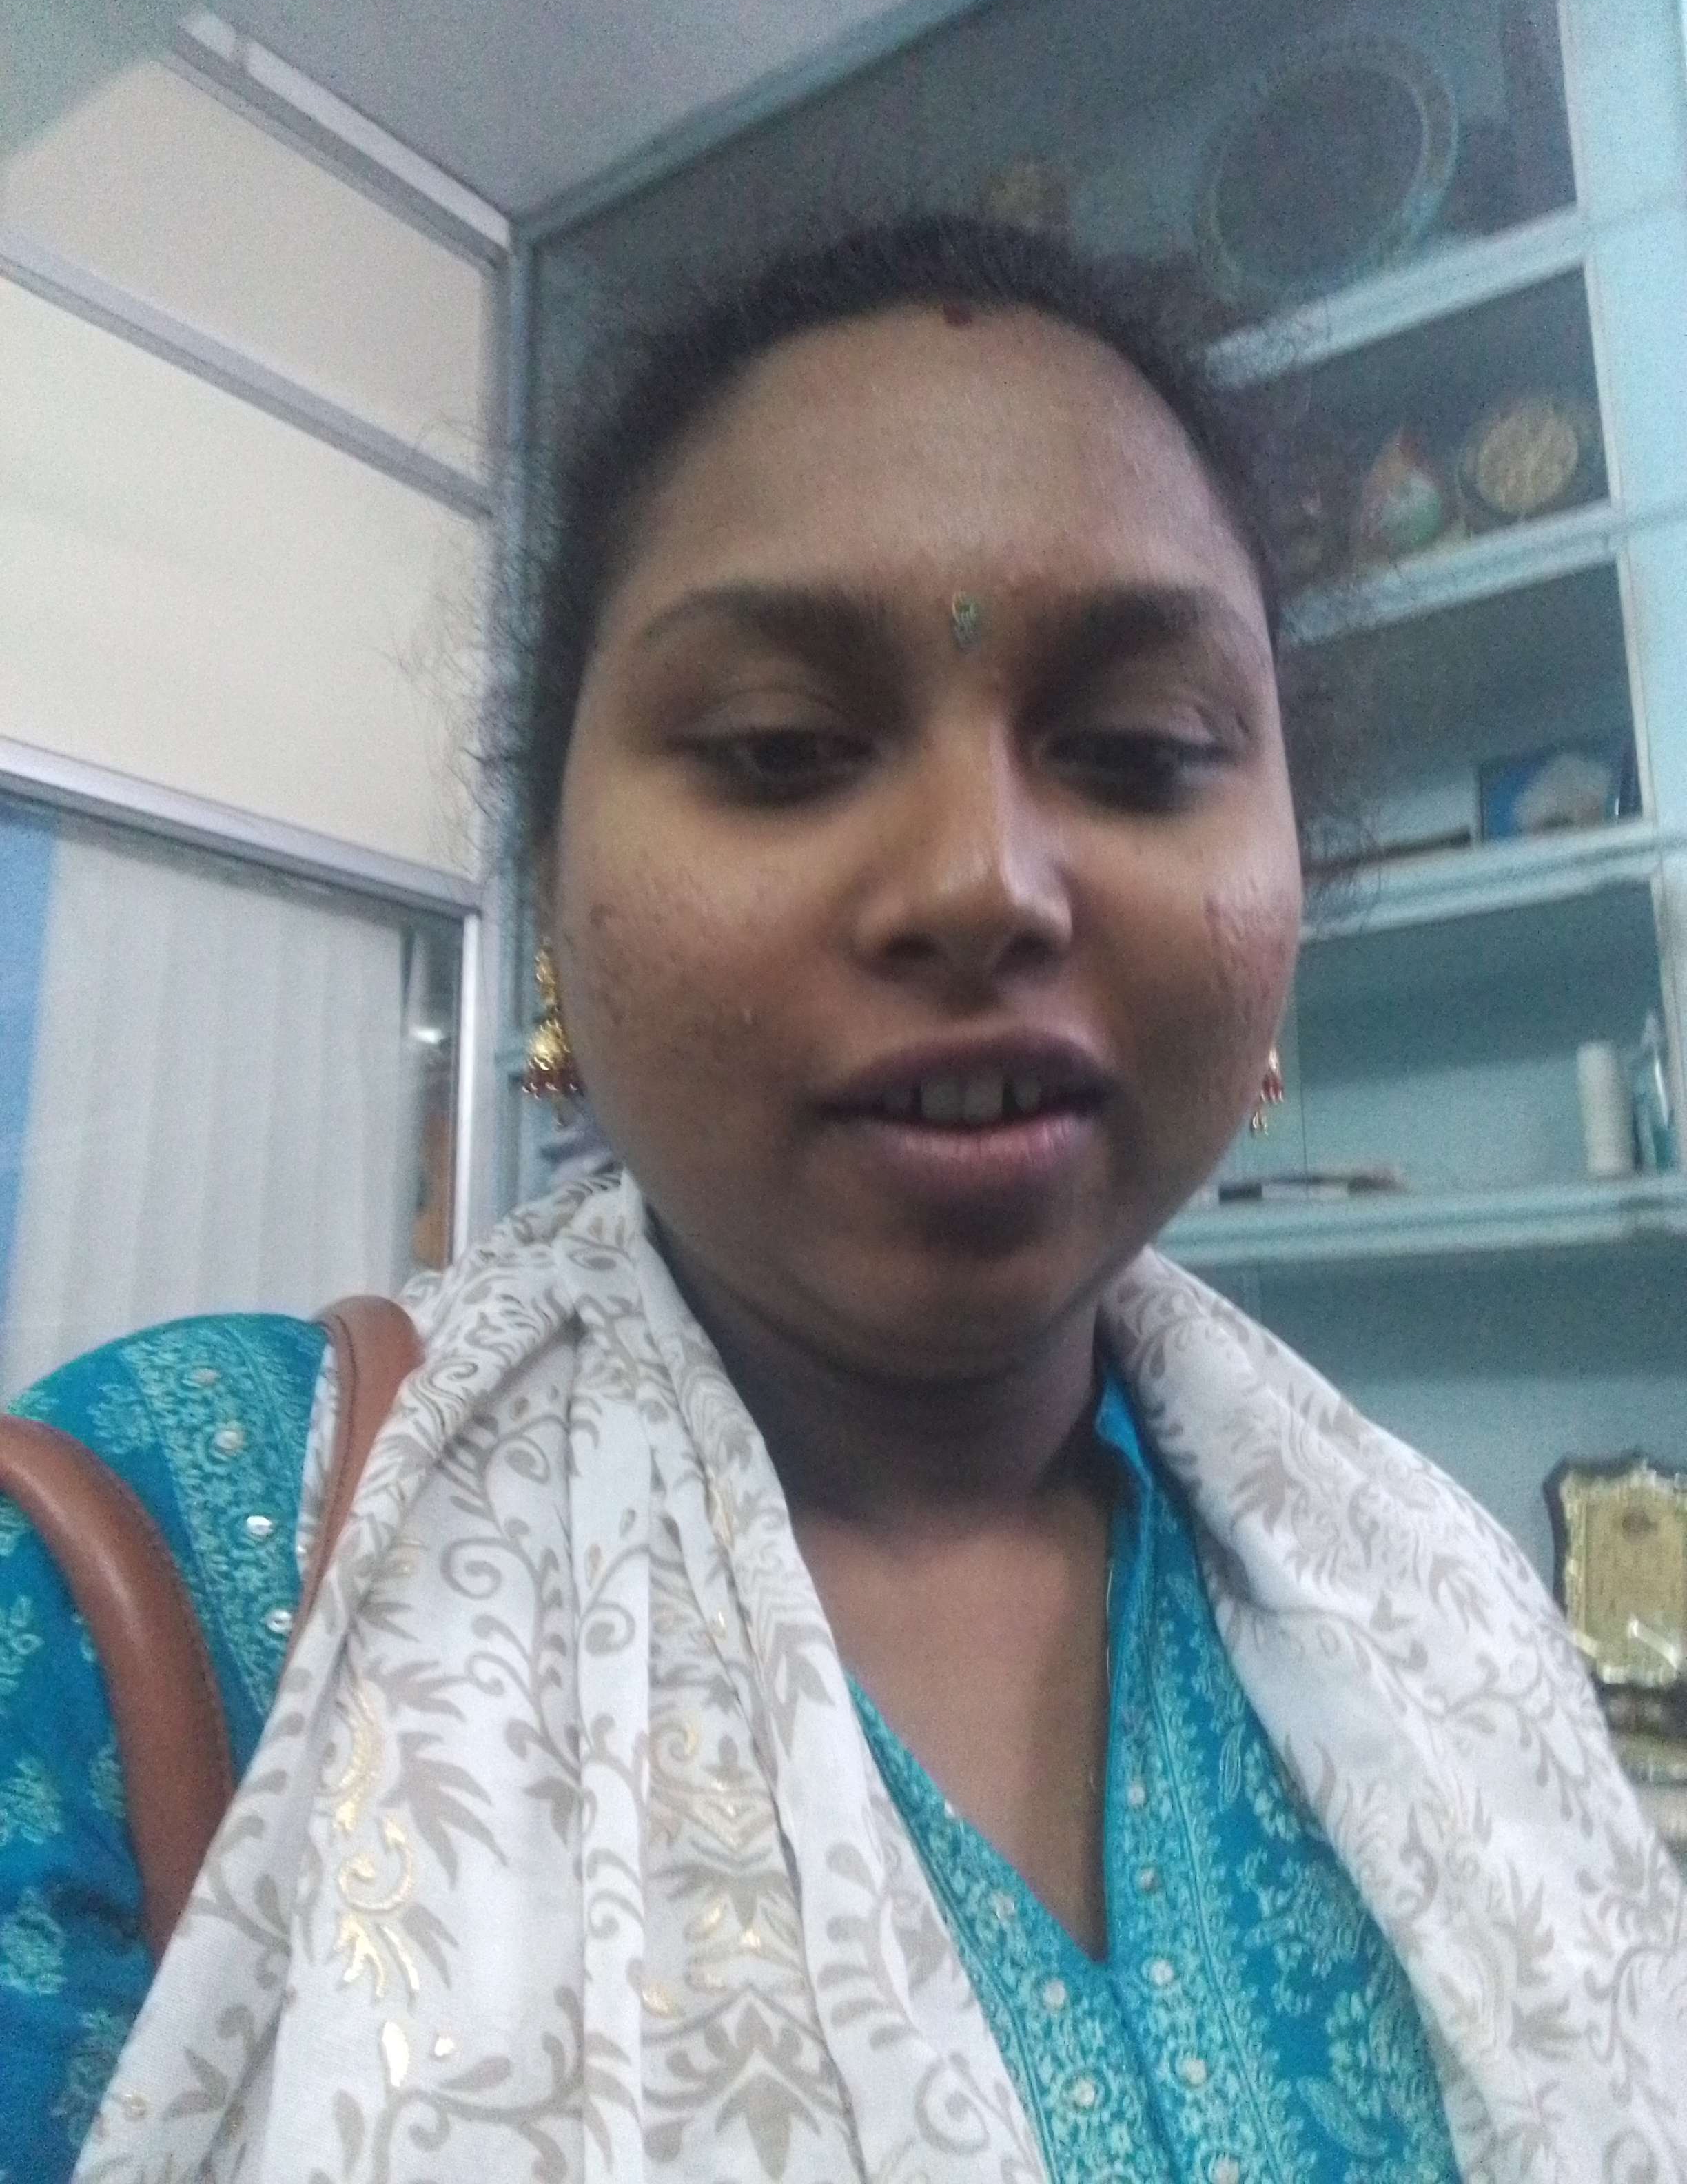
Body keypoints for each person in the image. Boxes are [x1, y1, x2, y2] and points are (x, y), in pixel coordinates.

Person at [50, 216, 1687, 2180]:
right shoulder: (145, 1568)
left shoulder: (1450, 1609)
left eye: (1143, 750)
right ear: (553, 883)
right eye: (782, 748)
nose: (983, 880)